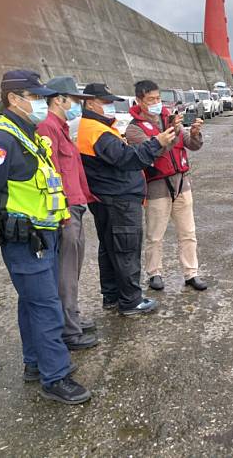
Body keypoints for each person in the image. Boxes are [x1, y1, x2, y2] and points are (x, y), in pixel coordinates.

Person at [0, 70, 90, 404]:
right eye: (35, 97)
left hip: (42, 235)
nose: (42, 103)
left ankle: (36, 363)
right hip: (25, 239)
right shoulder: (1, 138)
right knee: (46, 307)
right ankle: (55, 376)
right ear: (14, 98)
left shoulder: (26, 133)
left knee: (33, 304)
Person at [77, 83, 177, 315]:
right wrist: (157, 142)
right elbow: (126, 158)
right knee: (125, 249)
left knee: (110, 248)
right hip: (118, 200)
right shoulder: (96, 131)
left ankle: (112, 295)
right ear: (90, 103)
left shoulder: (91, 127)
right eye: (105, 102)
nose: (110, 105)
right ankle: (130, 300)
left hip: (105, 198)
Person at [124, 80, 207, 292]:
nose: (156, 103)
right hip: (156, 187)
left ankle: (191, 273)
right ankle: (155, 273)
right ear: (139, 101)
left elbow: (191, 144)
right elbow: (150, 152)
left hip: (182, 183)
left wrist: (195, 132)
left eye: (158, 98)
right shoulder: (134, 129)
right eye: (151, 99)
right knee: (155, 235)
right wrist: (169, 132)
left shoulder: (170, 119)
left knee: (188, 232)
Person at [37, 77, 99, 350]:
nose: (76, 106)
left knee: (72, 271)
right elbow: (50, 174)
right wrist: (62, 212)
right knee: (65, 273)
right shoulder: (47, 129)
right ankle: (69, 332)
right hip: (64, 212)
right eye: (73, 100)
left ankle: (71, 318)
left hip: (75, 206)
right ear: (58, 100)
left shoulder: (61, 129)